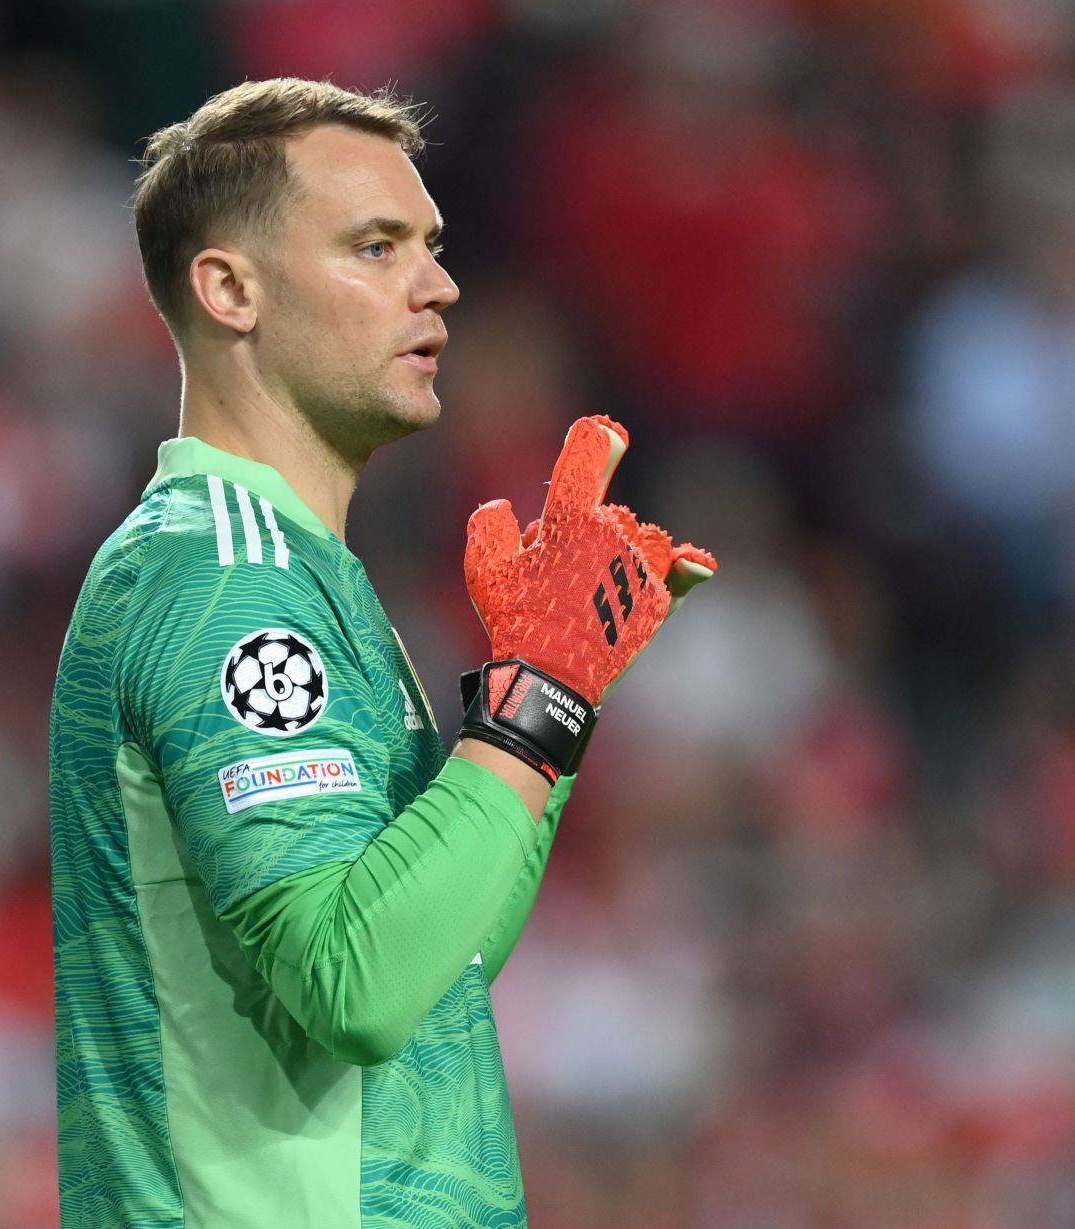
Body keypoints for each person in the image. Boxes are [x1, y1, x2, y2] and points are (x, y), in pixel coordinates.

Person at [49, 78, 715, 1228]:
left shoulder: (304, 573)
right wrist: (534, 700)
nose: (439, 283)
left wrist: (548, 714)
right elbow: (351, 982)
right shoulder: (222, 579)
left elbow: (433, 963)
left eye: (432, 245)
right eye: (376, 245)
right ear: (229, 289)